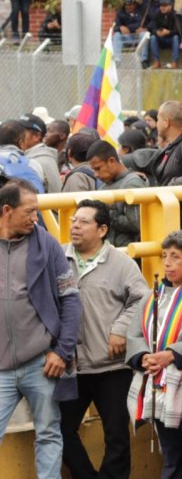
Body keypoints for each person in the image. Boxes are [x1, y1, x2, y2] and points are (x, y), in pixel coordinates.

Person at [60, 200, 148, 479]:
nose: (75, 226)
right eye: (74, 220)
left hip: (112, 366)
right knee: (60, 430)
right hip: (72, 366)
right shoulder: (59, 259)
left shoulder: (121, 263)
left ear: (102, 229)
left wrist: (121, 327)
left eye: (83, 222)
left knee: (117, 436)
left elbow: (142, 299)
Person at [0, 180, 78, 479]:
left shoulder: (46, 244)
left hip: (42, 362)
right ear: (7, 210)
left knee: (49, 432)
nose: (36, 218)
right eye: (29, 211)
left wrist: (62, 351)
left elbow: (70, 298)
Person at [126, 231, 182, 479]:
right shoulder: (152, 295)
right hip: (159, 383)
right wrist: (143, 356)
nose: (167, 263)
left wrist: (172, 354)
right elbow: (135, 333)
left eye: (175, 257)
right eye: (165, 256)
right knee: (171, 454)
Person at [86, 140, 147, 247]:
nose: (95, 174)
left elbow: (136, 224)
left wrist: (105, 214)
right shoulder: (107, 184)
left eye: (98, 168)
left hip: (126, 252)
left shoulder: (132, 183)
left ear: (112, 161)